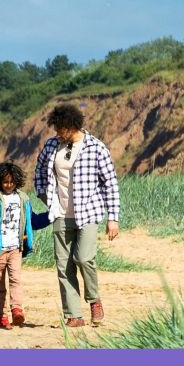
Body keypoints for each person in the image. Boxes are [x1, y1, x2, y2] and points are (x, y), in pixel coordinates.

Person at [34, 104, 120, 327]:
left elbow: (110, 184)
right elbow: (40, 169)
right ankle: (74, 314)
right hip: (60, 214)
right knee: (63, 266)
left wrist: (113, 218)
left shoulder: (96, 147)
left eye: (61, 129)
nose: (57, 133)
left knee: (83, 258)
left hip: (88, 213)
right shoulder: (52, 145)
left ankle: (94, 300)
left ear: (72, 125)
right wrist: (44, 195)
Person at [0, 162, 50, 329]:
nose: (8, 185)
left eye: (12, 182)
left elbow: (33, 221)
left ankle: (16, 310)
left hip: (16, 248)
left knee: (15, 280)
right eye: (5, 182)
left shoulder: (23, 199)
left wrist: (51, 216)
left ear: (17, 181)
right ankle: (2, 317)